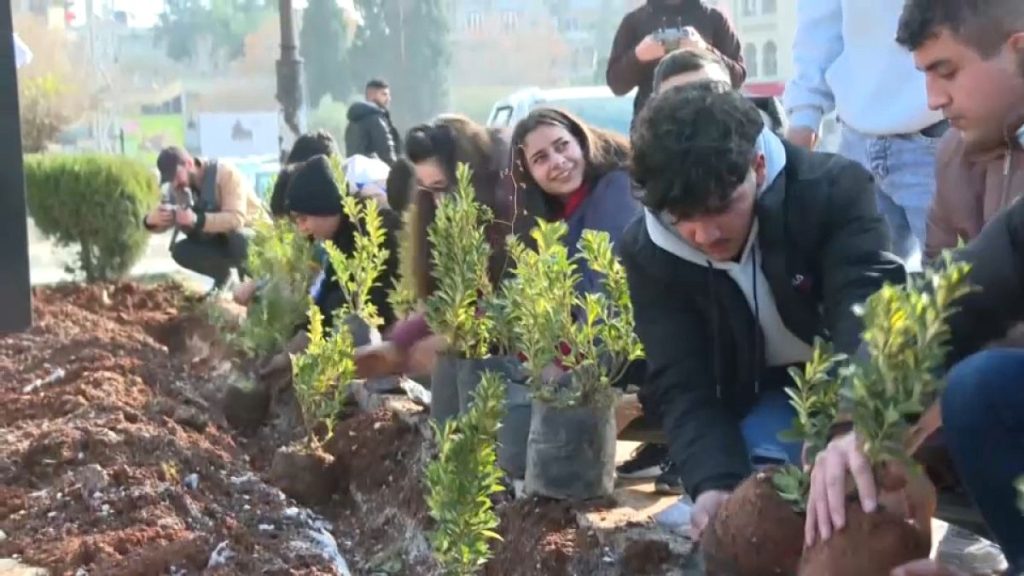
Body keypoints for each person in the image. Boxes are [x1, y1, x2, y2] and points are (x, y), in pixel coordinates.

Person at [622, 81, 904, 540]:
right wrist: (712, 484)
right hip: (764, 396)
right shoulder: (648, 252)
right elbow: (683, 382)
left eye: (722, 207)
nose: (706, 235)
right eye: (683, 218)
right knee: (751, 505)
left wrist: (853, 424)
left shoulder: (831, 190)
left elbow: (869, 315)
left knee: (860, 501)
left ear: (757, 166)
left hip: (851, 380)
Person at [806, 1, 1024, 573]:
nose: (931, 101)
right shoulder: (959, 158)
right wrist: (859, 423)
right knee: (975, 391)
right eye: (924, 74)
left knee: (979, 389)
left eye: (947, 71)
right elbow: (949, 298)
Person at [784, 0, 951, 273]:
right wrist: (804, 114)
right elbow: (818, 25)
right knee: (863, 295)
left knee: (958, 296)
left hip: (940, 132)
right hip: (856, 140)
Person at [260, 154, 403, 377]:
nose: (301, 229)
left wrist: (314, 360)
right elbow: (324, 295)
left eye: (303, 219)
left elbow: (375, 304)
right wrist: (288, 356)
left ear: (323, 207)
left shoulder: (372, 233)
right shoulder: (340, 238)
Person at [509, 107, 640, 296]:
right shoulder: (549, 219)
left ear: (581, 142)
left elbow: (609, 291)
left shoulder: (616, 191)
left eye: (562, 145)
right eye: (540, 158)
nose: (558, 161)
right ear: (528, 174)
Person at [145, 146, 266, 294]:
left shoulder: (226, 174)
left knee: (237, 237)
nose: (175, 184)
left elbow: (236, 219)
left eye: (176, 177)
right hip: (222, 240)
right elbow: (174, 217)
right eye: (171, 180)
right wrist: (150, 221)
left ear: (189, 164)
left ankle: (259, 285)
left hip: (256, 239)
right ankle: (224, 280)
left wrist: (197, 219)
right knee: (181, 250)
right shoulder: (182, 189)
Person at [605, 0, 745, 120]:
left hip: (705, 126)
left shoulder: (714, 19)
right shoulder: (634, 22)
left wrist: (704, 50)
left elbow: (738, 78)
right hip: (652, 129)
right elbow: (616, 85)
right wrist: (639, 55)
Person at [345, 78, 401, 166]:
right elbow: (386, 152)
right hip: (376, 176)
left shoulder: (352, 122)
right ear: (371, 95)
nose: (388, 99)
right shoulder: (376, 120)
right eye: (384, 94)